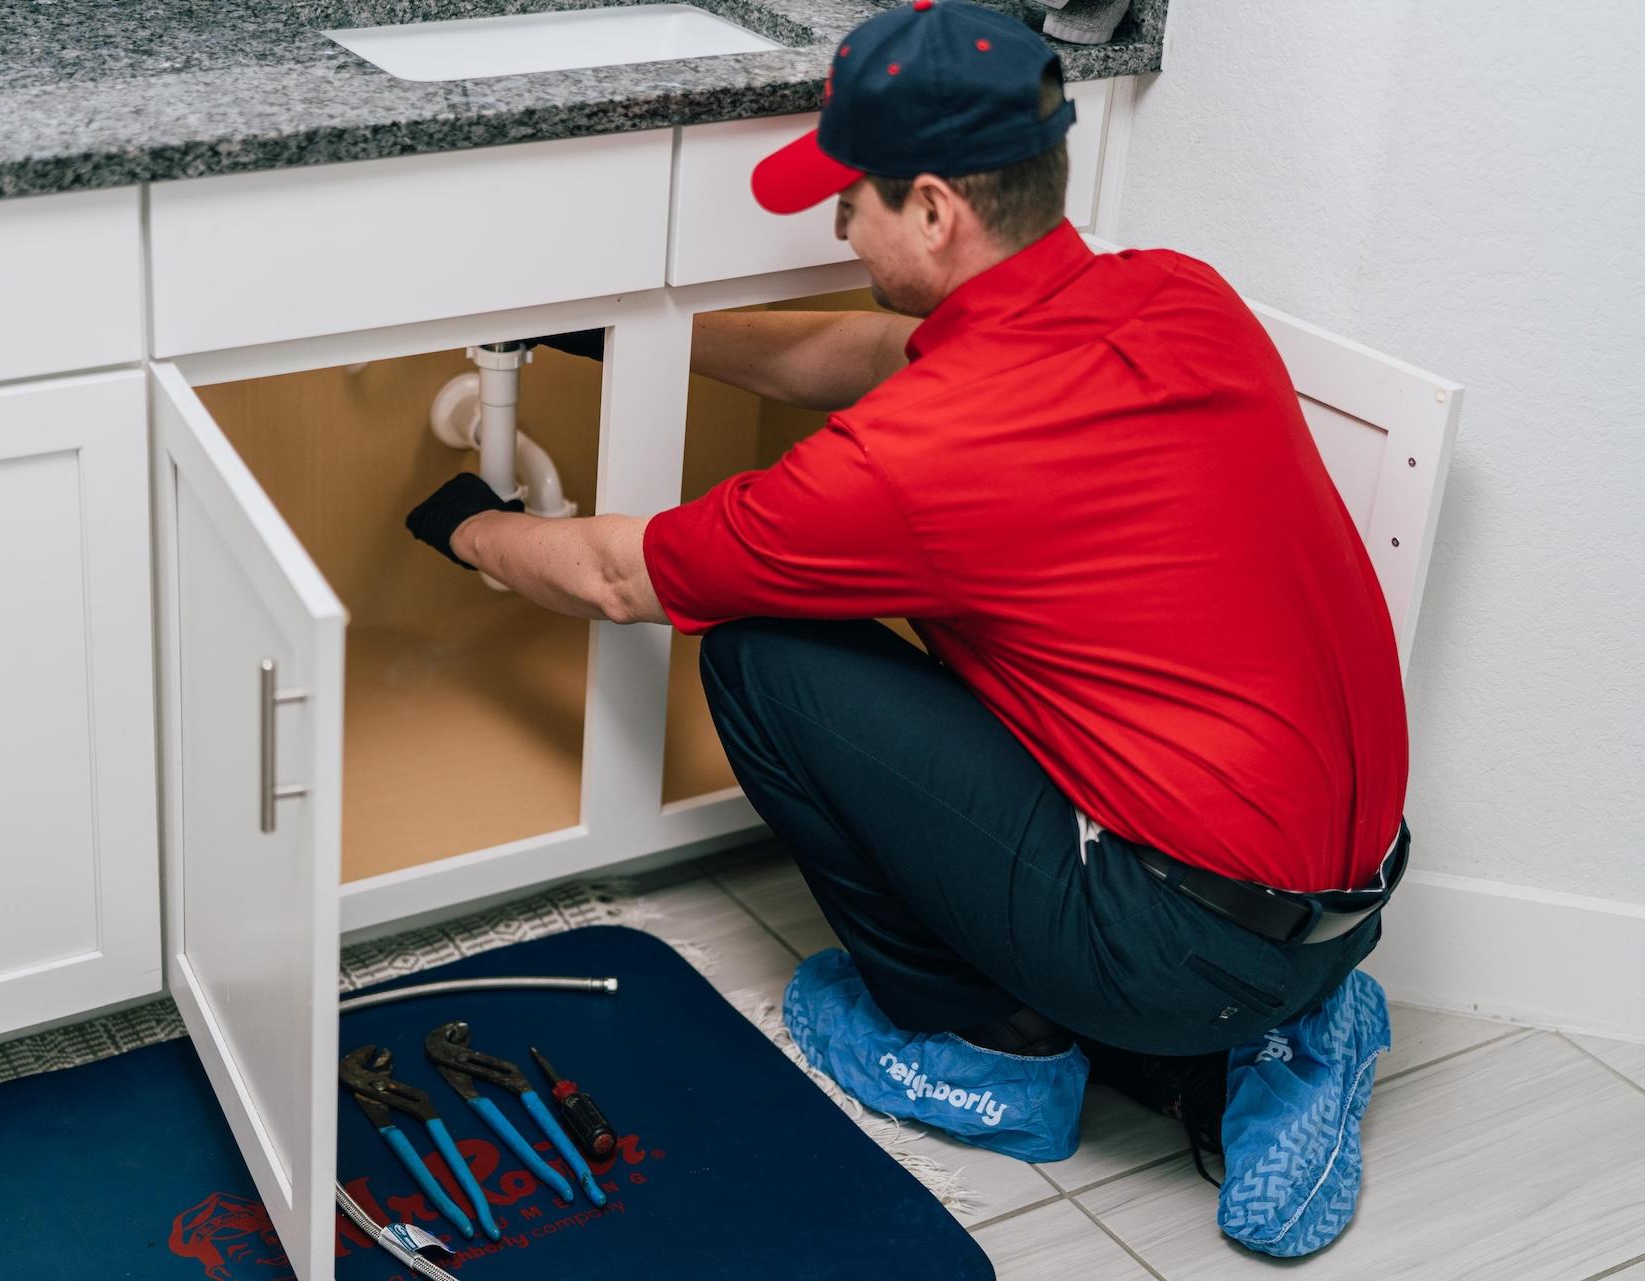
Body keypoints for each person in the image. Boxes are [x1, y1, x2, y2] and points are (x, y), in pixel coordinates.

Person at [404, 0, 1407, 1258]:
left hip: (1173, 935)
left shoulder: (916, 464)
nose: (835, 225)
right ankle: (1284, 1031)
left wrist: (464, 528)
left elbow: (618, 577)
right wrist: (639, 338)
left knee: (763, 657)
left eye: (849, 202)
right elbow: (883, 351)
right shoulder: (1174, 297)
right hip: (1342, 889)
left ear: (935, 209)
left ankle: (992, 1047)